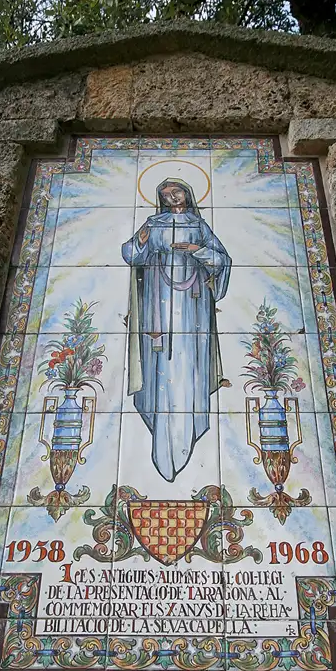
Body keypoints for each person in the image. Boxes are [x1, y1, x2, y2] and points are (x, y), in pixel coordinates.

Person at [121, 178, 232, 481]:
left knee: (187, 365)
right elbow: (131, 255)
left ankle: (187, 432)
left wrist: (197, 250)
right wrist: (143, 239)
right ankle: (163, 443)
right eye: (166, 195)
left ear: (187, 193)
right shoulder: (153, 223)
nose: (172, 198)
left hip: (192, 307)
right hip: (157, 304)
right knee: (161, 368)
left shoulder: (198, 225)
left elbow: (223, 260)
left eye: (177, 192)